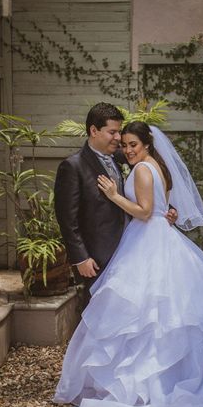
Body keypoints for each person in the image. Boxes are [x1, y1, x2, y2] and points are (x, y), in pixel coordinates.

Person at [53, 121, 203, 407]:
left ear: (146, 143)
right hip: (157, 236)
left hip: (148, 239)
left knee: (147, 315)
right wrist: (161, 212)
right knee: (155, 314)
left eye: (133, 144)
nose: (127, 150)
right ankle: (157, 379)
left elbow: (144, 213)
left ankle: (146, 387)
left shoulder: (143, 169)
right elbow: (157, 209)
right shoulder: (155, 166)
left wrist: (114, 195)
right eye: (124, 145)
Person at [53, 103, 177, 298]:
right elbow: (67, 219)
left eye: (119, 132)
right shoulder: (73, 166)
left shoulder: (125, 156)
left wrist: (165, 210)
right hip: (97, 258)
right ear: (94, 131)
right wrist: (80, 258)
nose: (119, 139)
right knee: (99, 313)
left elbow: (149, 186)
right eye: (113, 132)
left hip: (132, 250)